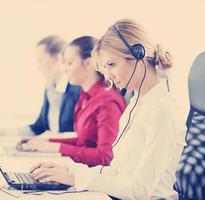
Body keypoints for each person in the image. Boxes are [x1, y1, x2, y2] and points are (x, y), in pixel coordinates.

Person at [29, 19, 187, 199]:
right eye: (105, 68)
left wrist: (75, 178)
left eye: (111, 64)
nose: (108, 76)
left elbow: (140, 190)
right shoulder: (136, 104)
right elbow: (118, 173)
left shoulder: (162, 111)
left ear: (137, 55)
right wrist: (69, 170)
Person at [18, 36, 126, 167]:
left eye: (69, 63)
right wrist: (46, 142)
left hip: (97, 180)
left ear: (88, 63)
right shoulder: (85, 97)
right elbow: (83, 141)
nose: (64, 69)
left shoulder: (107, 101)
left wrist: (54, 147)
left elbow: (105, 157)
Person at [0, 35, 80, 137]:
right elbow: (38, 128)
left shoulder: (77, 89)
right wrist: (2, 132)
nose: (38, 66)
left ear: (57, 59)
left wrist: (50, 139)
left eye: (40, 60)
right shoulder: (50, 89)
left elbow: (81, 135)